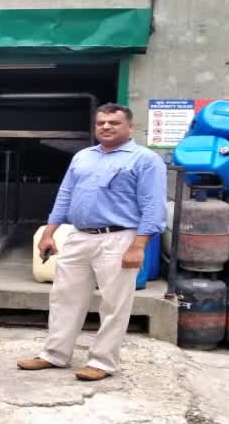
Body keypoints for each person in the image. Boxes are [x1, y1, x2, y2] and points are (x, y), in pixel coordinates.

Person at [17, 103, 167, 381]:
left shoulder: (144, 159)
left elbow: (152, 206)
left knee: (114, 304)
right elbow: (65, 195)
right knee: (64, 297)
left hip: (119, 238)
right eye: (101, 123)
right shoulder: (83, 157)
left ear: (129, 127)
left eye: (114, 122)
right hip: (78, 236)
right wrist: (50, 233)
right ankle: (54, 354)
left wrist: (139, 246)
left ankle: (102, 362)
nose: (106, 127)